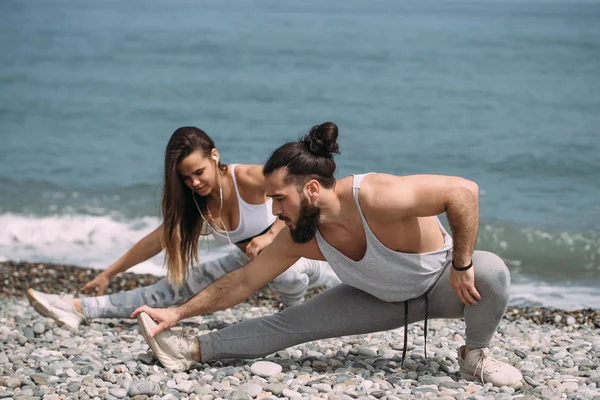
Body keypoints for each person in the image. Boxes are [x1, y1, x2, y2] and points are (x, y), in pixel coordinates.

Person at [133, 122, 523, 388]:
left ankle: (475, 354)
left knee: (490, 271)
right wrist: (176, 313)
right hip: (375, 299)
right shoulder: (300, 234)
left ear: (313, 190)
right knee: (284, 326)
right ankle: (192, 349)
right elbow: (244, 281)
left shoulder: (373, 195)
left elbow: (463, 192)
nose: (273, 212)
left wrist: (462, 263)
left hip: (441, 284)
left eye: (279, 199)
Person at [27, 126, 340, 329]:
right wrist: (109, 273)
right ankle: (78, 307)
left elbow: (303, 196)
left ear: (214, 155)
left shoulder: (248, 178)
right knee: (172, 289)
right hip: (250, 265)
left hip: (304, 257)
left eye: (199, 172)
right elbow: (157, 240)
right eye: (186, 178)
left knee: (288, 273)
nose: (195, 182)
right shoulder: (196, 200)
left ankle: (294, 319)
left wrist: (272, 235)